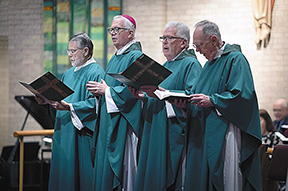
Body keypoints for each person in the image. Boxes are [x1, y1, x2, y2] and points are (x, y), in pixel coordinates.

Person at [176, 20, 262, 191]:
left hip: (225, 132)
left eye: (199, 45)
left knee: (226, 179)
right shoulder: (208, 65)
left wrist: (213, 100)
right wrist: (184, 104)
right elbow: (198, 94)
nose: (197, 51)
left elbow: (243, 96)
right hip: (204, 132)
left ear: (214, 40)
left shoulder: (235, 59)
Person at [129, 21, 202, 191]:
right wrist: (143, 97)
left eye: (170, 38)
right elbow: (156, 97)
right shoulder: (164, 66)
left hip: (172, 131)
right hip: (156, 128)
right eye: (163, 38)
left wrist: (165, 94)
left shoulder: (191, 64)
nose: (164, 42)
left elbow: (193, 98)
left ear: (183, 42)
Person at [36, 33, 105, 191]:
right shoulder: (68, 73)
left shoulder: (96, 72)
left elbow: (95, 105)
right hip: (63, 131)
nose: (69, 55)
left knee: (79, 177)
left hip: (80, 135)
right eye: (68, 51)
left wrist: (70, 107)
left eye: (73, 51)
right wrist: (45, 100)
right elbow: (58, 99)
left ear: (86, 51)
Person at [86, 15, 143, 191]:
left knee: (126, 173)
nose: (112, 33)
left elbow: (136, 91)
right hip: (108, 122)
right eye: (111, 29)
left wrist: (107, 91)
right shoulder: (114, 58)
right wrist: (99, 91)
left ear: (130, 33)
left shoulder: (136, 56)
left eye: (117, 29)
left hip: (123, 125)